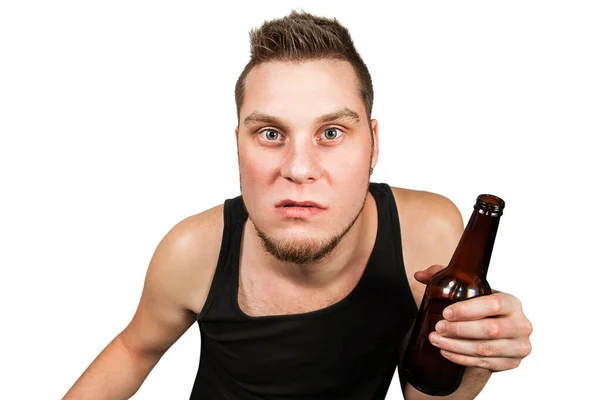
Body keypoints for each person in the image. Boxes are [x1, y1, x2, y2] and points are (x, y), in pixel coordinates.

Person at [64, 10, 532, 400]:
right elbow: (134, 349)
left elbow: (426, 395)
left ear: (372, 144)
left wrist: (476, 356)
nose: (299, 168)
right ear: (239, 145)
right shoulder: (193, 249)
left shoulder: (426, 232)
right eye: (271, 134)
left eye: (331, 133)